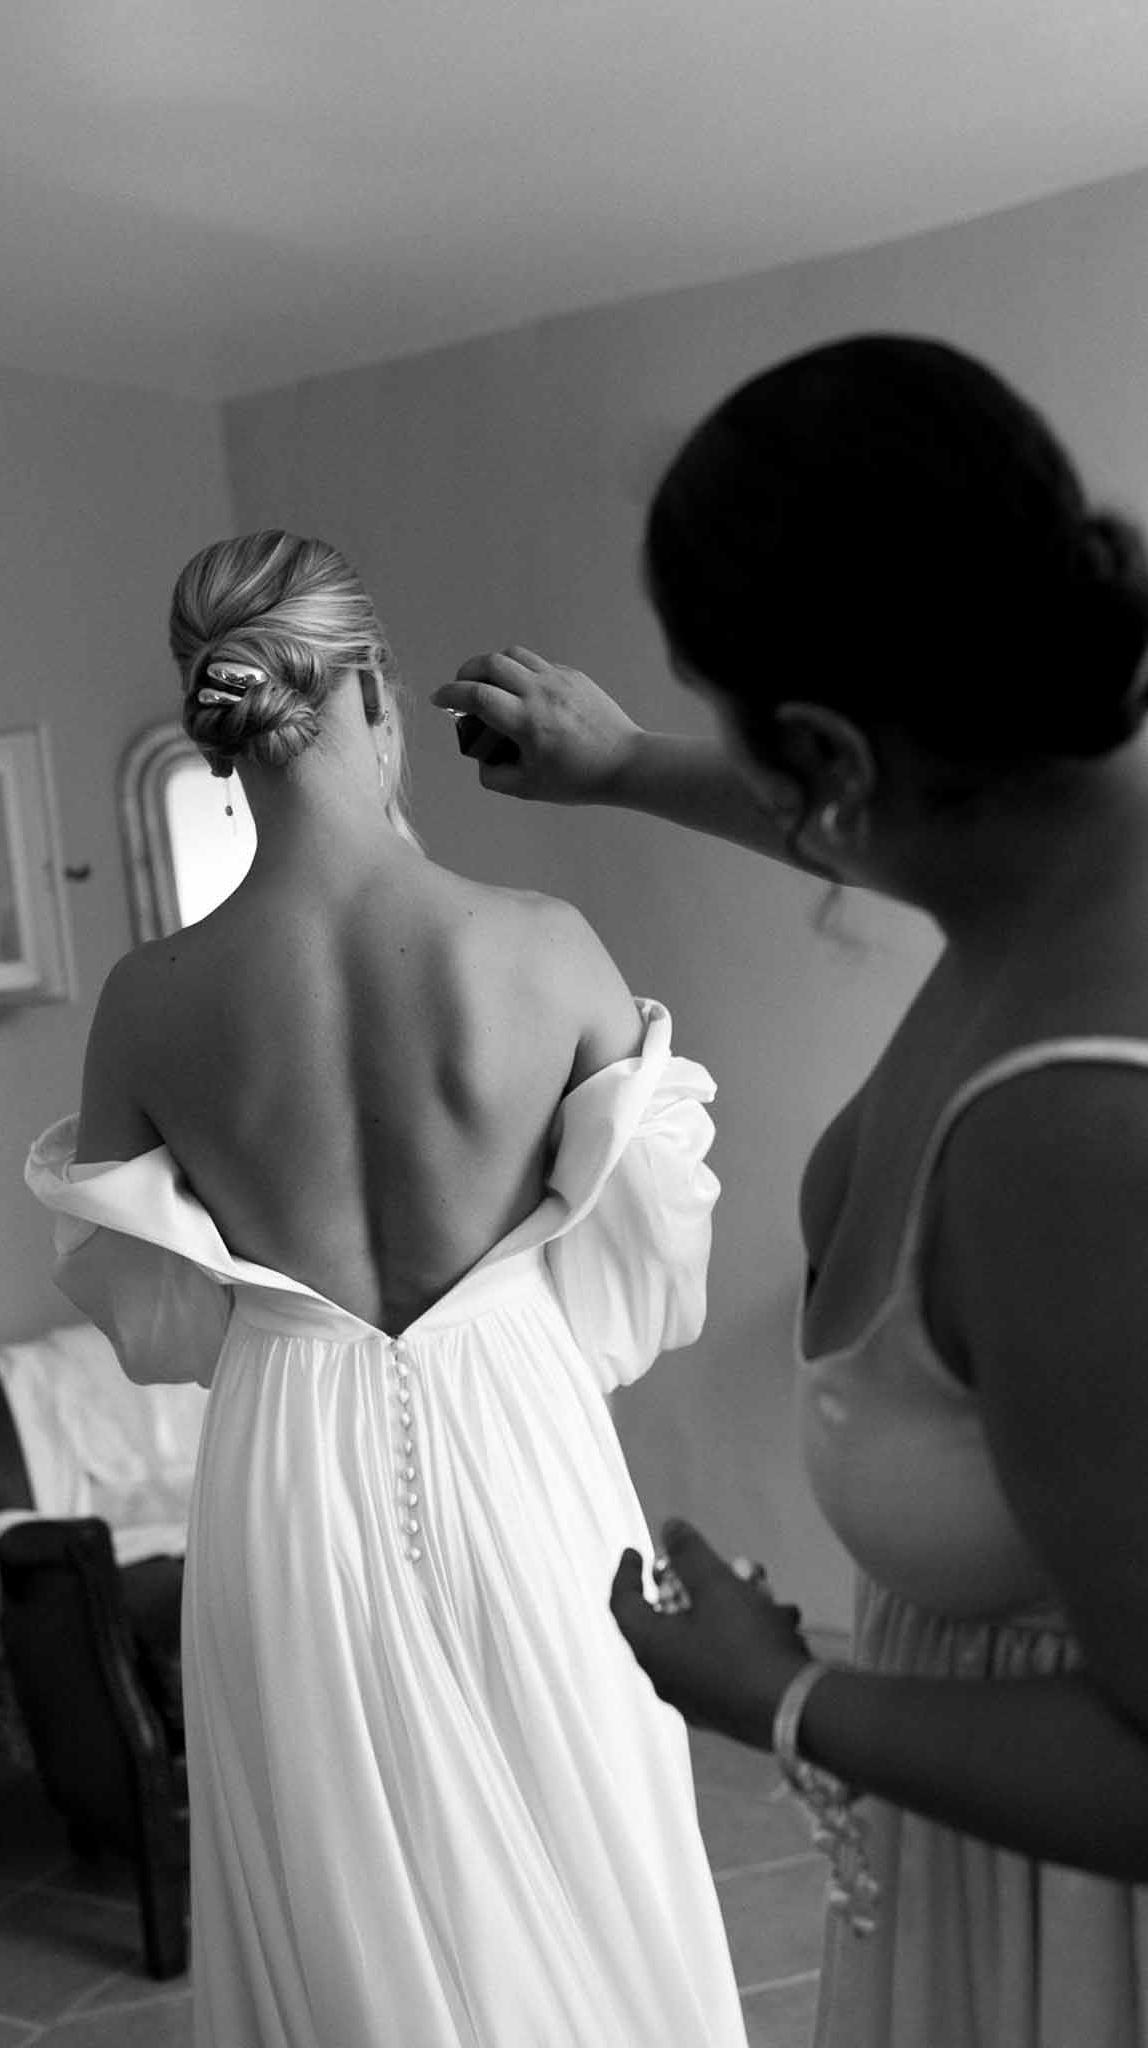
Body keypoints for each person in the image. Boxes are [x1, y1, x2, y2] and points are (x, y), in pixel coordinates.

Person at [434, 333, 1148, 2048]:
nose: (744, 772)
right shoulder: (1069, 854)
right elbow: (949, 815)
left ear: (828, 747)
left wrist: (785, 1693)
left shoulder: (1063, 1131)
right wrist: (626, 765)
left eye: (732, 726)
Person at [25, 531, 749, 2048]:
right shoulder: (539, 945)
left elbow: (152, 1309)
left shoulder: (149, 1003)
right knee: (598, 1843)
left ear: (220, 724)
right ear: (372, 687)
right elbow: (650, 1256)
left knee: (332, 1874)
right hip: (520, 1435)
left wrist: (282, 1313)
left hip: (289, 1459)